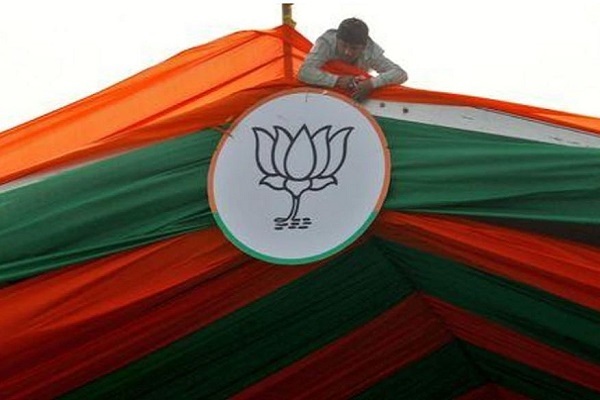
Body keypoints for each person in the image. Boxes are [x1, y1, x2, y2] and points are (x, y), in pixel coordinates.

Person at [298, 18, 408, 102]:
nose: (347, 52)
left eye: (354, 48)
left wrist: (371, 84)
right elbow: (305, 72)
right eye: (344, 45)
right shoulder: (326, 42)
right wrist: (337, 80)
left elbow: (400, 74)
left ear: (364, 47)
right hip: (322, 94)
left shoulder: (371, 50)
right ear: (337, 40)